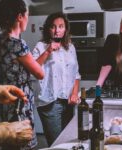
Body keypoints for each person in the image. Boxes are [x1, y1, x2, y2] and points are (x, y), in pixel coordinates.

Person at [0, 0, 45, 149]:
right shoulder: (18, 44)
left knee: (9, 141)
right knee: (23, 141)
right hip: (20, 103)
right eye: (27, 15)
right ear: (19, 17)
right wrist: (47, 53)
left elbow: (25, 65)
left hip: (5, 100)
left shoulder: (0, 40)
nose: (28, 20)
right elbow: (39, 73)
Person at [32, 12, 81, 146]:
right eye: (53, 27)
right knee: (56, 145)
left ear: (65, 29)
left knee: (69, 143)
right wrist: (47, 51)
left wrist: (75, 93)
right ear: (48, 29)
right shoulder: (40, 46)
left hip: (68, 103)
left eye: (60, 26)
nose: (57, 30)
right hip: (50, 103)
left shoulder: (70, 48)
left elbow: (76, 74)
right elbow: (32, 70)